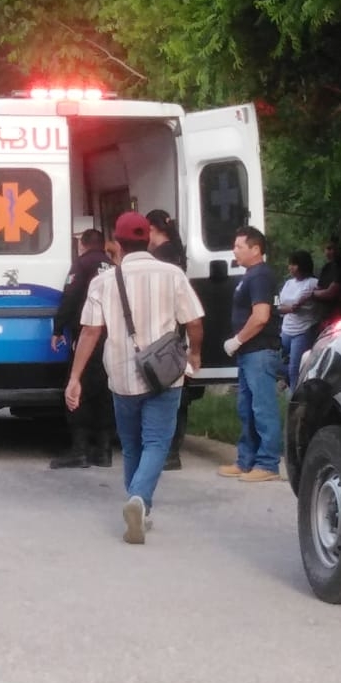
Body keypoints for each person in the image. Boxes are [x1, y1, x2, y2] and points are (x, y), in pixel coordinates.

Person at [65, 212, 204, 545]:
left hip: (123, 375)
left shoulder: (103, 281)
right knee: (157, 442)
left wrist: (75, 377)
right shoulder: (172, 274)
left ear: (117, 242)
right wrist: (195, 353)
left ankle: (140, 505)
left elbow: (90, 332)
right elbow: (195, 321)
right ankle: (139, 500)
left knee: (131, 445)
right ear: (149, 239)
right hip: (166, 374)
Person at [218, 227, 284, 481]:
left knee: (263, 408)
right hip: (249, 353)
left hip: (259, 351)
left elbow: (261, 317)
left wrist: (236, 340)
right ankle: (246, 460)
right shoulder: (250, 275)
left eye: (239, 246)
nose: (234, 251)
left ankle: (267, 464)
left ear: (255, 249)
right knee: (246, 408)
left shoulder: (260, 276)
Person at [49, 229, 114, 469]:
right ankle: (104, 451)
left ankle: (79, 450)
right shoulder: (113, 266)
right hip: (111, 339)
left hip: (88, 337)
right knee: (105, 394)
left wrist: (57, 329)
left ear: (83, 245)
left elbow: (71, 296)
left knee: (77, 389)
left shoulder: (82, 264)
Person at [146, 208, 194, 471]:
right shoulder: (177, 253)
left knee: (163, 390)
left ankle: (169, 451)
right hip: (176, 331)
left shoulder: (160, 258)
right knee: (175, 387)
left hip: (162, 331)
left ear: (153, 229)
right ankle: (172, 450)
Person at [278, 250, 322, 390]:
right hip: (286, 329)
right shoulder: (288, 283)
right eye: (290, 264)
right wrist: (290, 308)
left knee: (294, 369)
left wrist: (291, 307)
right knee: (272, 360)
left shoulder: (313, 283)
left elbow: (297, 305)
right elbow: (281, 306)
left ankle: (295, 400)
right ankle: (288, 380)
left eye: (294, 264)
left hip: (302, 331)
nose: (290, 267)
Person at [313, 239, 341, 324]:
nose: (332, 252)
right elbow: (319, 288)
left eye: (335, 248)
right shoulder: (326, 268)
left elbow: (330, 293)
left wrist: (313, 293)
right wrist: (317, 293)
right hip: (326, 318)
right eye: (329, 249)